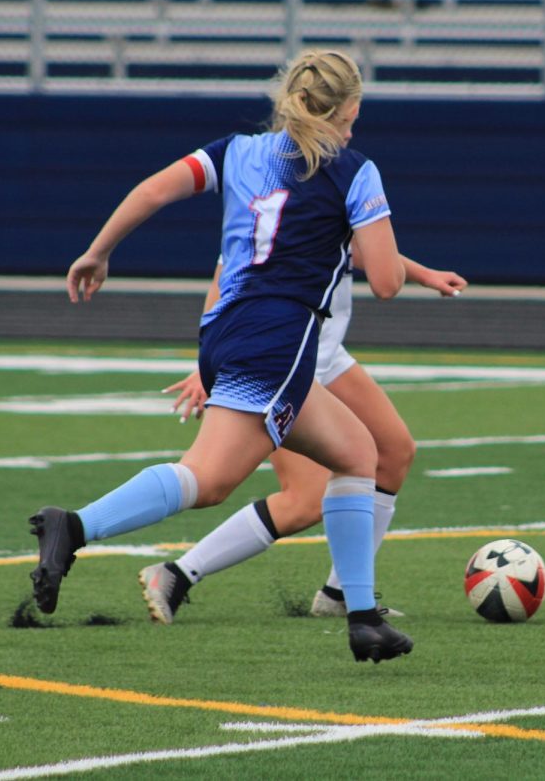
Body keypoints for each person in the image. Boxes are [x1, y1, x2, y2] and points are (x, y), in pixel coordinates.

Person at [29, 48, 414, 663]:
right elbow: (388, 282)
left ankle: (363, 617)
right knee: (208, 480)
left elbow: (154, 190)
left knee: (357, 452)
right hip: (278, 340)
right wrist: (364, 232)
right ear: (349, 110)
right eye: (352, 116)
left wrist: (98, 252)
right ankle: (71, 527)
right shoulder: (355, 171)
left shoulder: (238, 150)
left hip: (224, 328)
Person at [141, 251, 466, 624]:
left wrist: (423, 274)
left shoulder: (335, 194)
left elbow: (362, 246)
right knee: (305, 497)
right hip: (282, 358)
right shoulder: (281, 200)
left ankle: (340, 594)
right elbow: (227, 273)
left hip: (323, 351)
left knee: (394, 452)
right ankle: (176, 574)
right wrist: (209, 360)